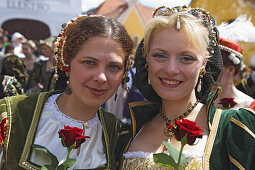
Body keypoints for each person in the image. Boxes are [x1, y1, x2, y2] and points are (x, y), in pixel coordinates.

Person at [117, 6, 255, 169]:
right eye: (160, 55)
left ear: (204, 63)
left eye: (186, 58)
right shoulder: (125, 132)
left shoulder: (234, 129)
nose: (171, 69)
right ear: (146, 59)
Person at [0, 14, 133, 169]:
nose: (101, 77)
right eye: (89, 62)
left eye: (113, 67)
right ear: (66, 63)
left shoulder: (118, 135)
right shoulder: (13, 115)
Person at [213, 38, 254, 109]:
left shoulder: (250, 106)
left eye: (213, 67)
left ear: (231, 69)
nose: (206, 71)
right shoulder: (195, 101)